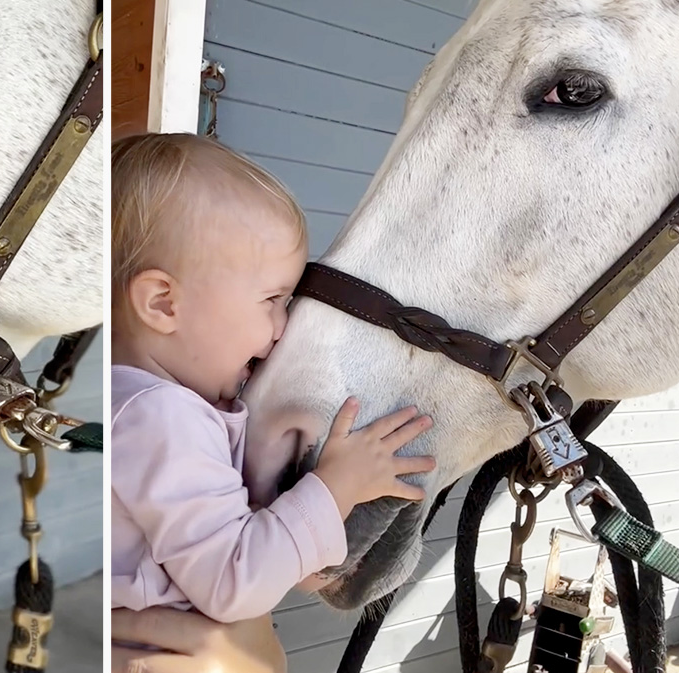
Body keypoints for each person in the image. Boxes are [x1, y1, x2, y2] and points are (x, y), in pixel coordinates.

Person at [110, 132, 436, 634]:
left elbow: (223, 538)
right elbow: (231, 582)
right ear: (162, 304)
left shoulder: (149, 407)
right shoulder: (162, 417)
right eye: (273, 301)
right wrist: (337, 488)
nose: (284, 326)